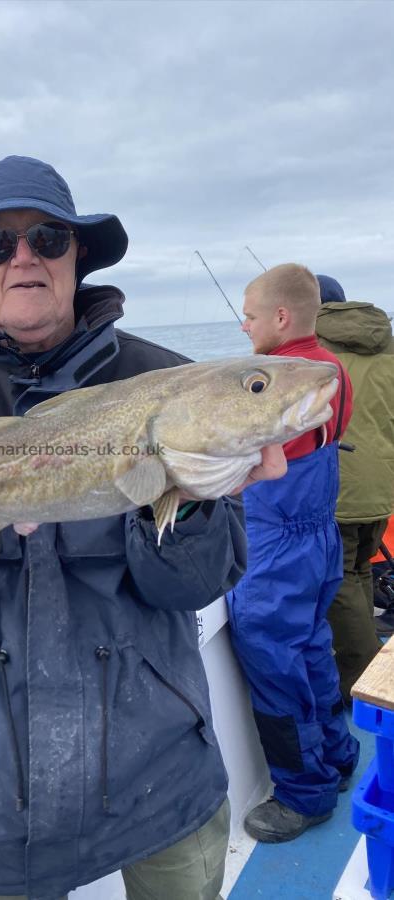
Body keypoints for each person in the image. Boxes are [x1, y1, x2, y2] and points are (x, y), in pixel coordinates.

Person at [0, 155, 284, 900]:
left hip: (160, 778)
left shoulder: (175, 384)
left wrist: (196, 499)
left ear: (76, 254)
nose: (23, 257)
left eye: (47, 238)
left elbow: (188, 590)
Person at [226, 263, 360, 844]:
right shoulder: (333, 371)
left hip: (276, 549)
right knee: (311, 649)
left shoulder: (284, 379)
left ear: (280, 317)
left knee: (275, 662)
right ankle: (339, 753)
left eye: (250, 316)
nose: (243, 326)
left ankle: (305, 794)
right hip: (317, 538)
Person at [314, 275, 394, 669]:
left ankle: (360, 681)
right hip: (382, 485)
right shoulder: (387, 346)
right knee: (361, 570)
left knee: (341, 578)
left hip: (340, 485)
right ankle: (375, 665)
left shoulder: (314, 353)